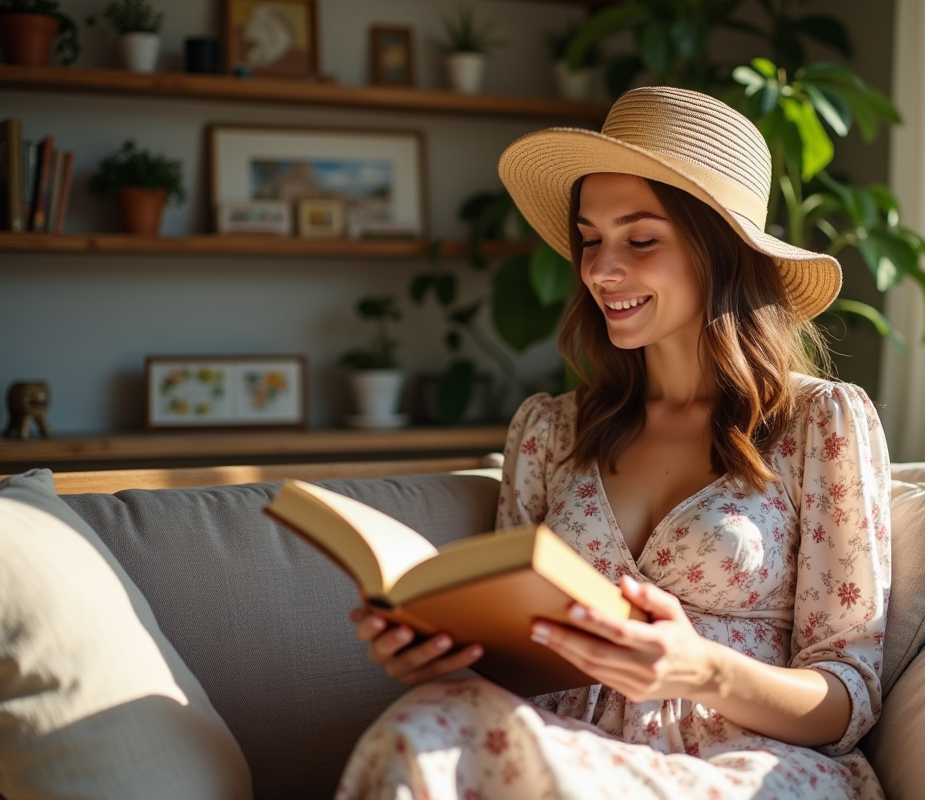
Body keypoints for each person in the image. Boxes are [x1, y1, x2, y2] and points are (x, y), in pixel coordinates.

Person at [339, 86, 891, 800]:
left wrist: (698, 667)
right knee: (429, 720)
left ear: (718, 252)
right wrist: (442, 655)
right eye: (590, 238)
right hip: (553, 756)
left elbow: (847, 696)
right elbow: (515, 668)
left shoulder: (819, 424)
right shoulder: (550, 432)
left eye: (640, 238)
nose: (601, 269)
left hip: (746, 770)